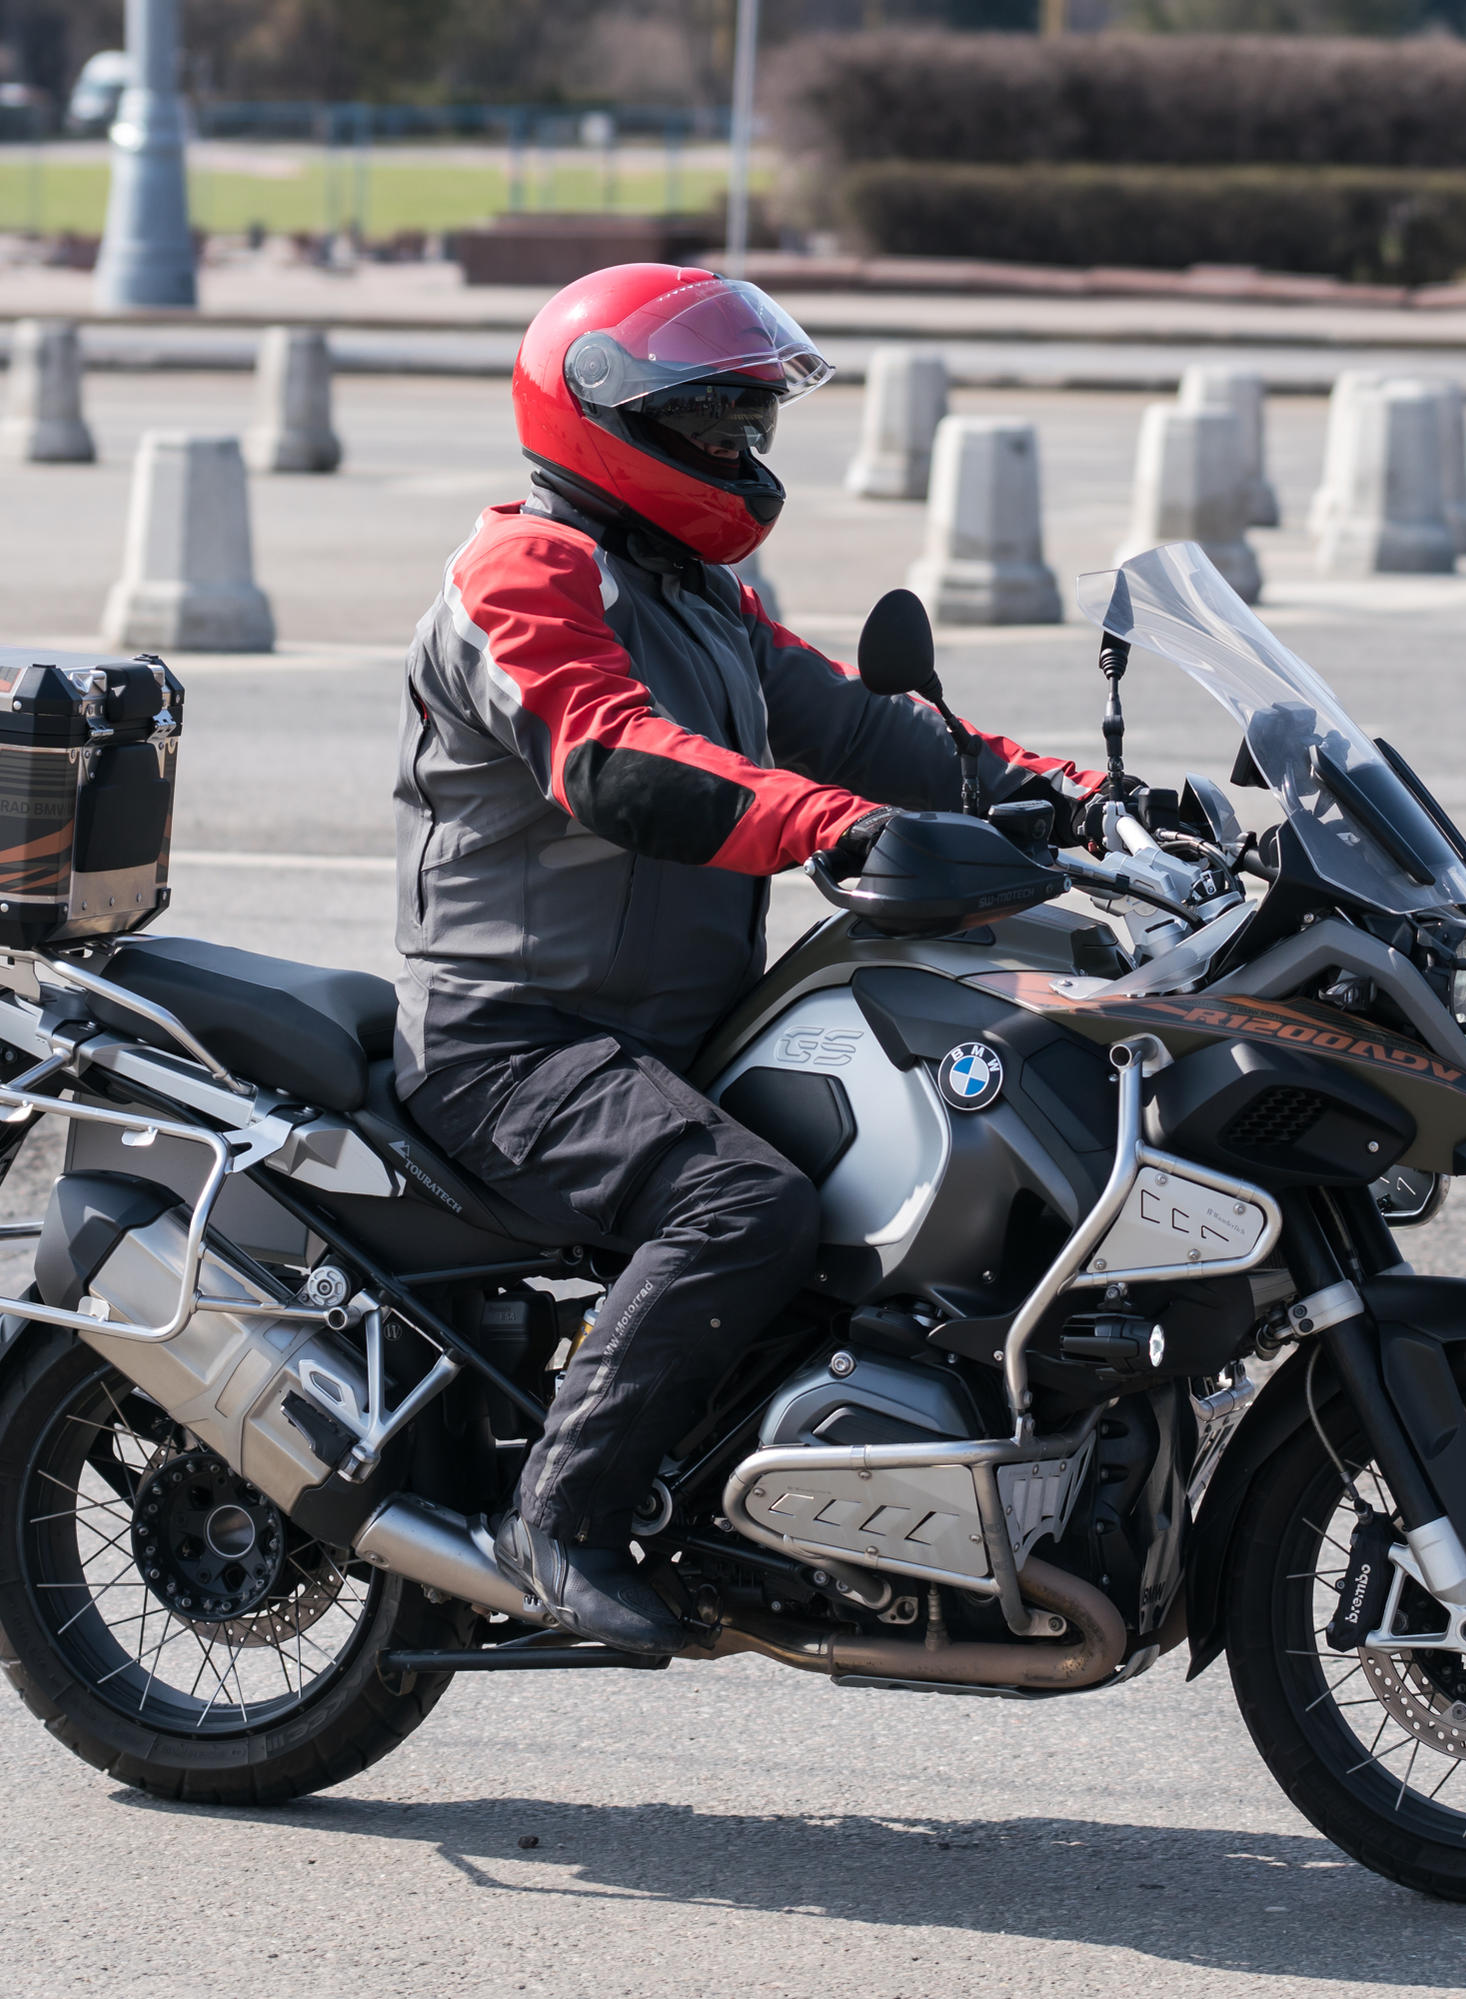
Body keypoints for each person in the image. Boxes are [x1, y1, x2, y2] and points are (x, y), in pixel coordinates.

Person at [391, 263, 1100, 1653]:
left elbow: (871, 732)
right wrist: (832, 826)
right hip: (516, 1044)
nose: (742, 444)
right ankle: (559, 1519)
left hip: (672, 1030)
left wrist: (1086, 802)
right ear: (607, 414)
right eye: (713, 419)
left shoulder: (702, 593)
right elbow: (616, 759)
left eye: (753, 419)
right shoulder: (527, 573)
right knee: (742, 1207)